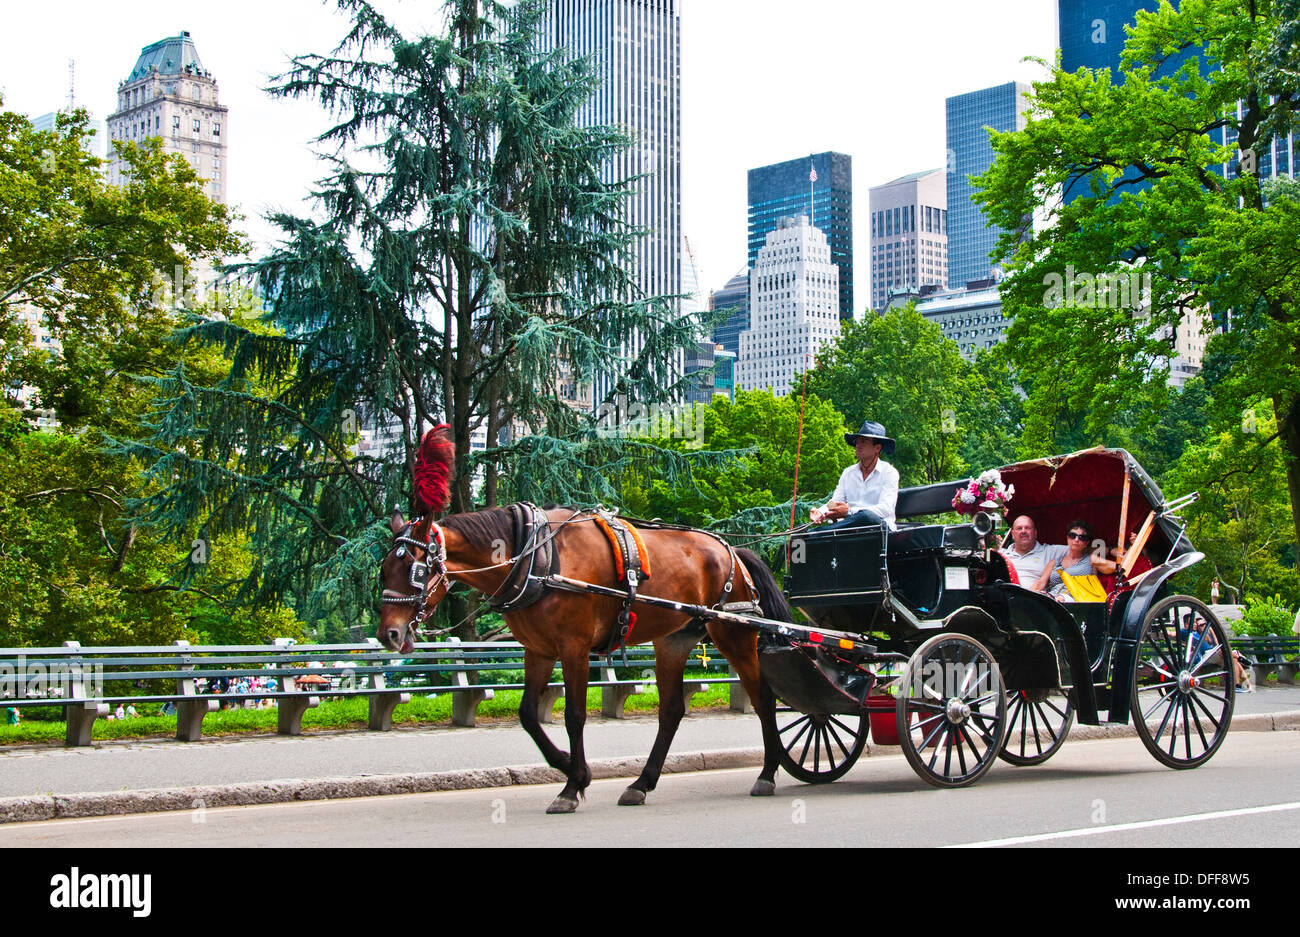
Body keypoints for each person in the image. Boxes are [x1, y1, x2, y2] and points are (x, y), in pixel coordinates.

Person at [810, 420, 900, 531]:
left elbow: (885, 509)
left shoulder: (889, 473)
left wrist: (849, 512)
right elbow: (835, 502)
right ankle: (816, 533)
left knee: (866, 516)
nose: (858, 445)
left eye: (864, 441)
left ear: (877, 448)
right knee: (811, 535)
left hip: (880, 531)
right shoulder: (848, 473)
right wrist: (820, 512)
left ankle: (822, 532)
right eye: (857, 441)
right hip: (852, 529)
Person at [1032, 519, 1118, 602]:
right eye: (1072, 536)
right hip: (1052, 598)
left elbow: (1118, 567)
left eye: (1082, 537)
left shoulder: (1091, 559)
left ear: (1086, 542)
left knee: (1060, 599)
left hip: (1077, 599)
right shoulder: (1055, 562)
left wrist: (1113, 550)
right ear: (1067, 538)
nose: (1076, 540)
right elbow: (1041, 583)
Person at [1004, 515, 1068, 587]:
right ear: (1012, 534)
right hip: (1004, 594)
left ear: (1035, 533)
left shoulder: (1049, 552)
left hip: (1032, 596)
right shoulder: (1002, 555)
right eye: (1019, 528)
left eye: (1027, 528)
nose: (1023, 531)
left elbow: (1078, 548)